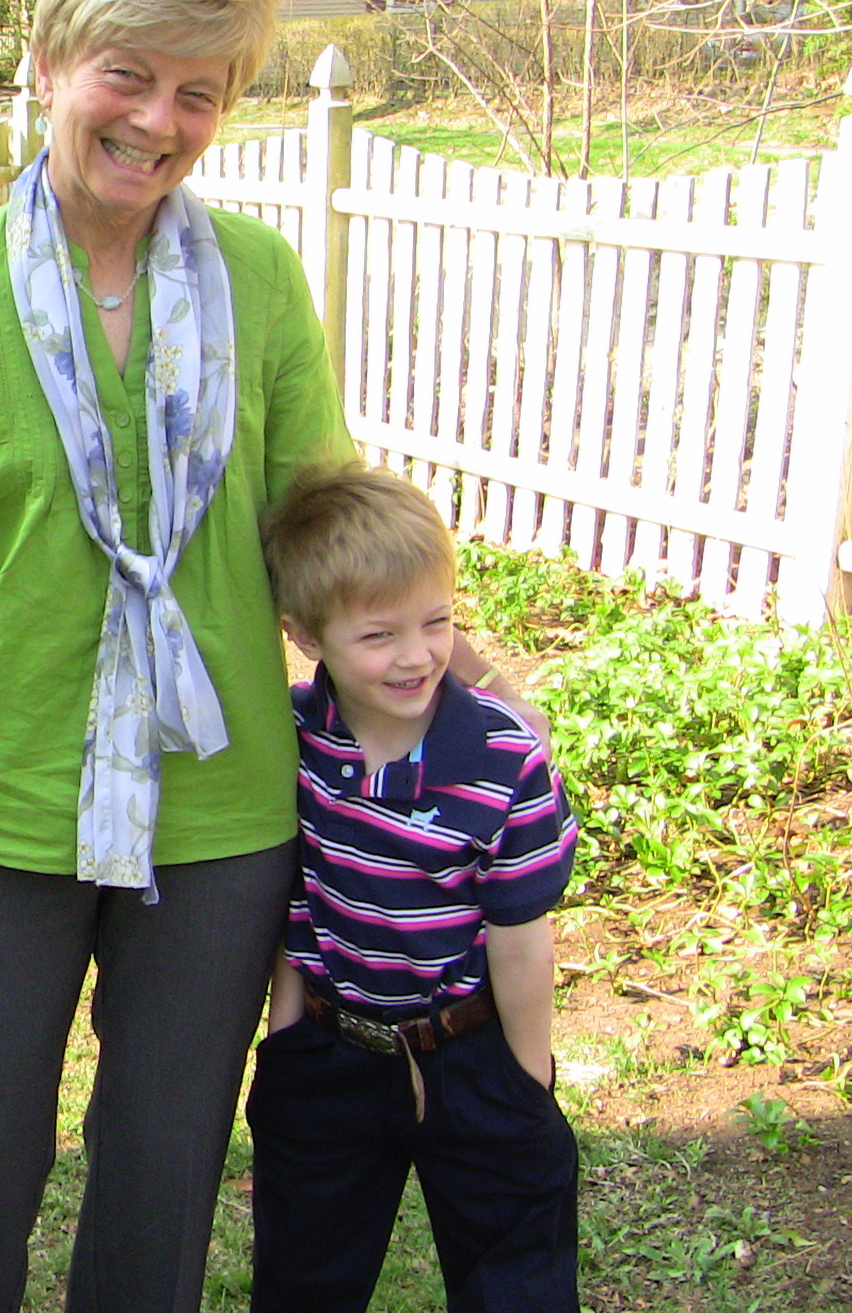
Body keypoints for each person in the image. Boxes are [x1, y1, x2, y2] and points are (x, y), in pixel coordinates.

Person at [0, 0, 531, 1313]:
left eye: (198, 92)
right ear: (48, 61)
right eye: (127, 74)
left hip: (220, 814)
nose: (157, 121)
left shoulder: (258, 284)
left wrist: (453, 663)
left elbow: (317, 526)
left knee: (163, 1178)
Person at [249, 464, 579, 1313]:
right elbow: (298, 894)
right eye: (379, 635)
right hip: (330, 1055)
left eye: (437, 622)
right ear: (305, 634)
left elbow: (521, 939)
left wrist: (526, 1084)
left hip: (471, 1053)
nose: (416, 655)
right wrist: (287, 1038)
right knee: (303, 1278)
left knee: (517, 1282)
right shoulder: (294, 736)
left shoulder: (504, 763)